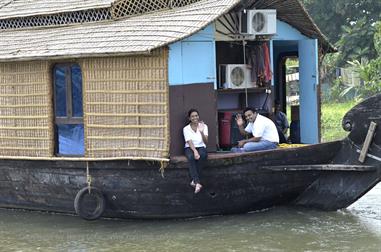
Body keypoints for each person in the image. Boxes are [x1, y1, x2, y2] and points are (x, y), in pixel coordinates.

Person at [183, 109, 208, 194]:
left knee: (203, 155)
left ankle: (195, 181)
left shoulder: (204, 126)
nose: (195, 118)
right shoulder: (186, 128)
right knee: (190, 157)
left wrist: (201, 132)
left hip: (201, 146)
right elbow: (189, 141)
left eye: (196, 115)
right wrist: (194, 151)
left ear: (198, 116)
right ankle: (197, 182)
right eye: (192, 116)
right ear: (189, 118)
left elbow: (206, 141)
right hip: (189, 147)